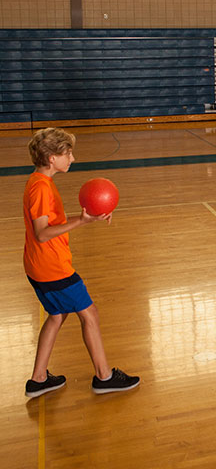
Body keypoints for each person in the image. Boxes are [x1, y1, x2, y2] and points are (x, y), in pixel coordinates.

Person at [23, 127, 140, 397]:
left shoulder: (37, 181)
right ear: (52, 157)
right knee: (90, 314)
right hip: (52, 268)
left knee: (56, 315)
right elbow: (42, 233)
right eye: (68, 153)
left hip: (37, 266)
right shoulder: (41, 189)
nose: (72, 159)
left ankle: (39, 379)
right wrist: (83, 221)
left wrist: (92, 215)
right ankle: (104, 376)